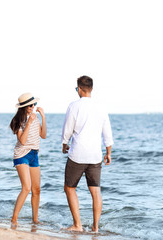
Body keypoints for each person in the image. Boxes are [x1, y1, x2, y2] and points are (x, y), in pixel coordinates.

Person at [61, 75, 114, 232]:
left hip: (77, 154)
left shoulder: (74, 106)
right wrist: (108, 152)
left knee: (69, 188)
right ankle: (95, 227)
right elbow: (107, 132)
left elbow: (68, 129)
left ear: (80, 89)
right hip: (95, 155)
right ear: (91, 89)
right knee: (95, 190)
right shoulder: (101, 107)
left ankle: (77, 225)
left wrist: (65, 144)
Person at [9, 93, 47, 226]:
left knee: (36, 189)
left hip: (34, 154)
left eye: (34, 104)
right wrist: (29, 123)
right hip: (22, 155)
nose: (33, 107)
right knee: (26, 187)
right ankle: (14, 219)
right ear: (24, 107)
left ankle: (35, 220)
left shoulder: (35, 118)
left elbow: (43, 135)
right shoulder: (19, 121)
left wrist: (42, 117)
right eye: (30, 105)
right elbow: (23, 141)